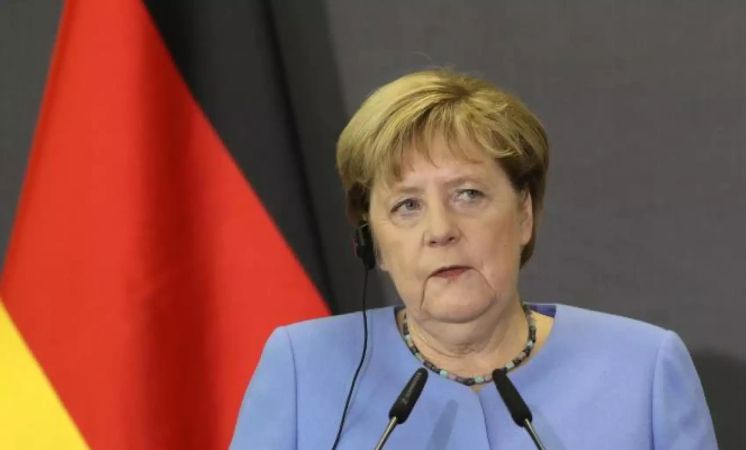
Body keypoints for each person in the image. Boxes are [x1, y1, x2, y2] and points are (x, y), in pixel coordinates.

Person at [230, 69, 718, 449]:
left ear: (523, 214)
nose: (441, 230)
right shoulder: (304, 367)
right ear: (371, 241)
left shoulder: (641, 369)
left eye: (468, 194)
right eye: (407, 205)